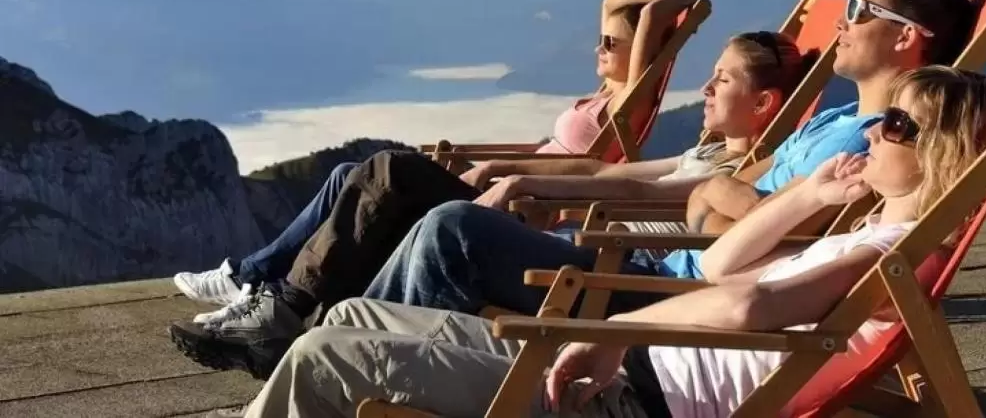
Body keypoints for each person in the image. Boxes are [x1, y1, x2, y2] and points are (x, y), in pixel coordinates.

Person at [212, 66, 986, 418]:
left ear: (939, 153)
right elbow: (718, 262)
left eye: (896, 123)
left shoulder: (888, 254)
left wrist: (606, 338)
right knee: (348, 319)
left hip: (626, 394)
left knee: (325, 358)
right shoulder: (872, 227)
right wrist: (811, 194)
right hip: (628, 361)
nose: (874, 129)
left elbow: (747, 302)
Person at [338, 0, 976, 322]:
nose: (844, 20)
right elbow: (725, 192)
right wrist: (726, 192)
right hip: (660, 260)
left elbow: (786, 233)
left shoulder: (890, 143)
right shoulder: (835, 122)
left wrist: (729, 192)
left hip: (669, 289)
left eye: (863, 13)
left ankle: (355, 348)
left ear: (904, 38)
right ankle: (348, 339)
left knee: (452, 229)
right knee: (439, 225)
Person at [170, 30, 815, 380]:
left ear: (763, 105)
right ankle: (270, 291)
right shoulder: (706, 151)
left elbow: (636, 192)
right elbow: (606, 168)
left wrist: (530, 190)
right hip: (579, 238)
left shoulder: (737, 167)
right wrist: (508, 170)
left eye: (723, 79)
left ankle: (295, 315)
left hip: (620, 271)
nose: (705, 86)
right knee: (353, 175)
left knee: (397, 181)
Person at [172, 0, 699, 310]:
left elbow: (588, 165)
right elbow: (613, 4)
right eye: (600, 40)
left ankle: (262, 288)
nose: (598, 47)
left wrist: (688, 1)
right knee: (345, 176)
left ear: (640, 54)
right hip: (508, 188)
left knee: (388, 173)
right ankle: (253, 278)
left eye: (611, 43)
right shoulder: (603, 94)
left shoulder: (630, 100)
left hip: (518, 206)